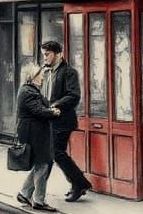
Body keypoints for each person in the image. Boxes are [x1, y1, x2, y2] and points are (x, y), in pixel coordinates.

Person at [41, 40, 93, 202]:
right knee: (57, 153)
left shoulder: (69, 72)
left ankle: (80, 183)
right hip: (51, 118)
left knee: (57, 153)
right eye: (44, 55)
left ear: (59, 54)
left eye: (47, 54)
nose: (45, 58)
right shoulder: (48, 71)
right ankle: (77, 183)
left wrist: (56, 104)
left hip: (64, 120)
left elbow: (74, 95)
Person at [16, 63, 62, 211]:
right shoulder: (27, 92)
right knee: (43, 164)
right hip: (33, 134)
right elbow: (38, 110)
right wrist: (52, 112)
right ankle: (39, 200)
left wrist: (49, 109)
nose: (42, 77)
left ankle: (24, 193)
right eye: (40, 75)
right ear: (33, 77)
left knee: (41, 164)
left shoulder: (32, 90)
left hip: (36, 133)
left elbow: (41, 107)